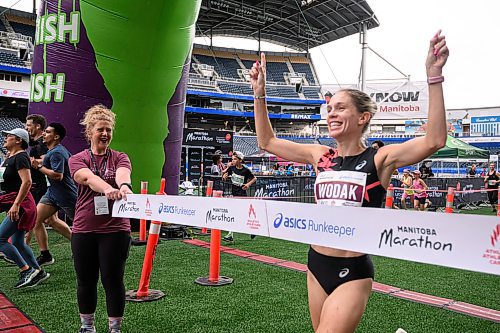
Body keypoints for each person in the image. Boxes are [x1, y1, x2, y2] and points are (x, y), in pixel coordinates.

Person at [249, 30, 448, 332]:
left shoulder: (379, 159)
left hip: (352, 270)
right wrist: (258, 93)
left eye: (340, 108)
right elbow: (266, 141)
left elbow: (434, 139)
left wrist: (433, 76)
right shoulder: (321, 155)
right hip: (316, 264)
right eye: (330, 109)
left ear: (362, 118)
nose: (332, 114)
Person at [69, 105, 133, 333]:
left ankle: (114, 329)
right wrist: (107, 189)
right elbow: (86, 177)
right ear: (89, 132)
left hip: (116, 230)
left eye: (109, 130)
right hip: (84, 229)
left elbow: (123, 174)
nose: (105, 134)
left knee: (112, 280)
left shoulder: (120, 157)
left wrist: (124, 186)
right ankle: (87, 327)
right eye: (100, 130)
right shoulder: (77, 159)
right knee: (85, 281)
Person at [0, 128, 50, 288]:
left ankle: (26, 270)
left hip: (21, 204)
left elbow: (27, 182)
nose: (5, 138)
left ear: (18, 140)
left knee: (0, 240)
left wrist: (15, 204)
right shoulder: (11, 157)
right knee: (18, 242)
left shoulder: (21, 157)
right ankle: (38, 271)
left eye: (9, 136)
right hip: (16, 202)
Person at [31, 123, 76, 265]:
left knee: (82, 226)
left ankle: (83, 249)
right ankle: (45, 255)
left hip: (66, 195)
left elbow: (58, 175)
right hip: (52, 194)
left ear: (56, 136)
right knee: (37, 219)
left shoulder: (57, 152)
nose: (44, 134)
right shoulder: (54, 151)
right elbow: (45, 160)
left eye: (48, 132)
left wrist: (38, 167)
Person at [222, 151, 256, 242]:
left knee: (242, 215)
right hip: (234, 194)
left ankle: (252, 230)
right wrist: (225, 176)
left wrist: (248, 184)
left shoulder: (245, 170)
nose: (233, 161)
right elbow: (225, 174)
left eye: (235, 159)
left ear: (240, 160)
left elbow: (254, 178)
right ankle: (230, 235)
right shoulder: (231, 168)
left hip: (242, 195)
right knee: (234, 214)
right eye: (232, 159)